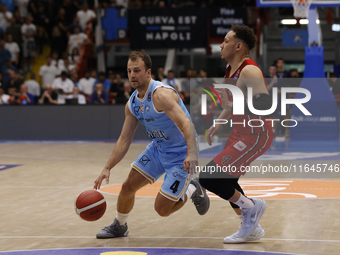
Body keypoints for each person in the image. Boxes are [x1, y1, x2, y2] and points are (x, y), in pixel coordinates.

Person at [93, 50, 209, 239]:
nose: (132, 75)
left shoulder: (161, 95)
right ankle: (120, 226)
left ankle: (194, 187)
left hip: (181, 155)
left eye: (137, 70)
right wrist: (107, 167)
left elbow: (187, 124)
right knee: (127, 187)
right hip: (158, 150)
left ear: (148, 72)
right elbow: (124, 139)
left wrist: (191, 153)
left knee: (162, 209)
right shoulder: (132, 103)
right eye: (129, 71)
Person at [198, 25, 274, 244]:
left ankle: (252, 208)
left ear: (238, 46)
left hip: (255, 133)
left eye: (225, 40)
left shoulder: (249, 70)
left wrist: (234, 103)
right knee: (227, 180)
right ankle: (253, 227)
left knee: (209, 177)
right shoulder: (231, 69)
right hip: (240, 131)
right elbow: (232, 103)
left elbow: (265, 103)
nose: (221, 45)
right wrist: (218, 123)